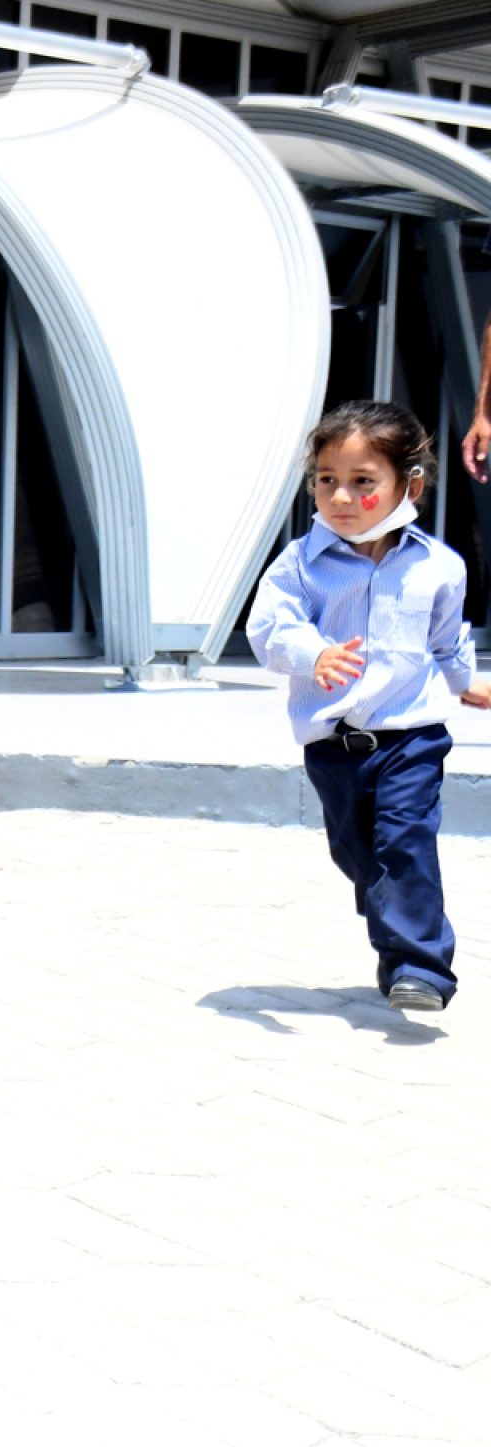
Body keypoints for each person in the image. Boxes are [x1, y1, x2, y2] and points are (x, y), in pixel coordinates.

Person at [248, 399, 491, 1013]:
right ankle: (395, 922)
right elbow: (270, 627)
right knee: (360, 855)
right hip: (334, 746)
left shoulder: (439, 566)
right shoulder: (299, 565)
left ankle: (421, 968)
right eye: (327, 479)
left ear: (410, 485)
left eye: (363, 481)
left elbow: (447, 638)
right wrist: (312, 653)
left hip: (412, 737)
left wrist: (466, 681)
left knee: (405, 842)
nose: (341, 497)